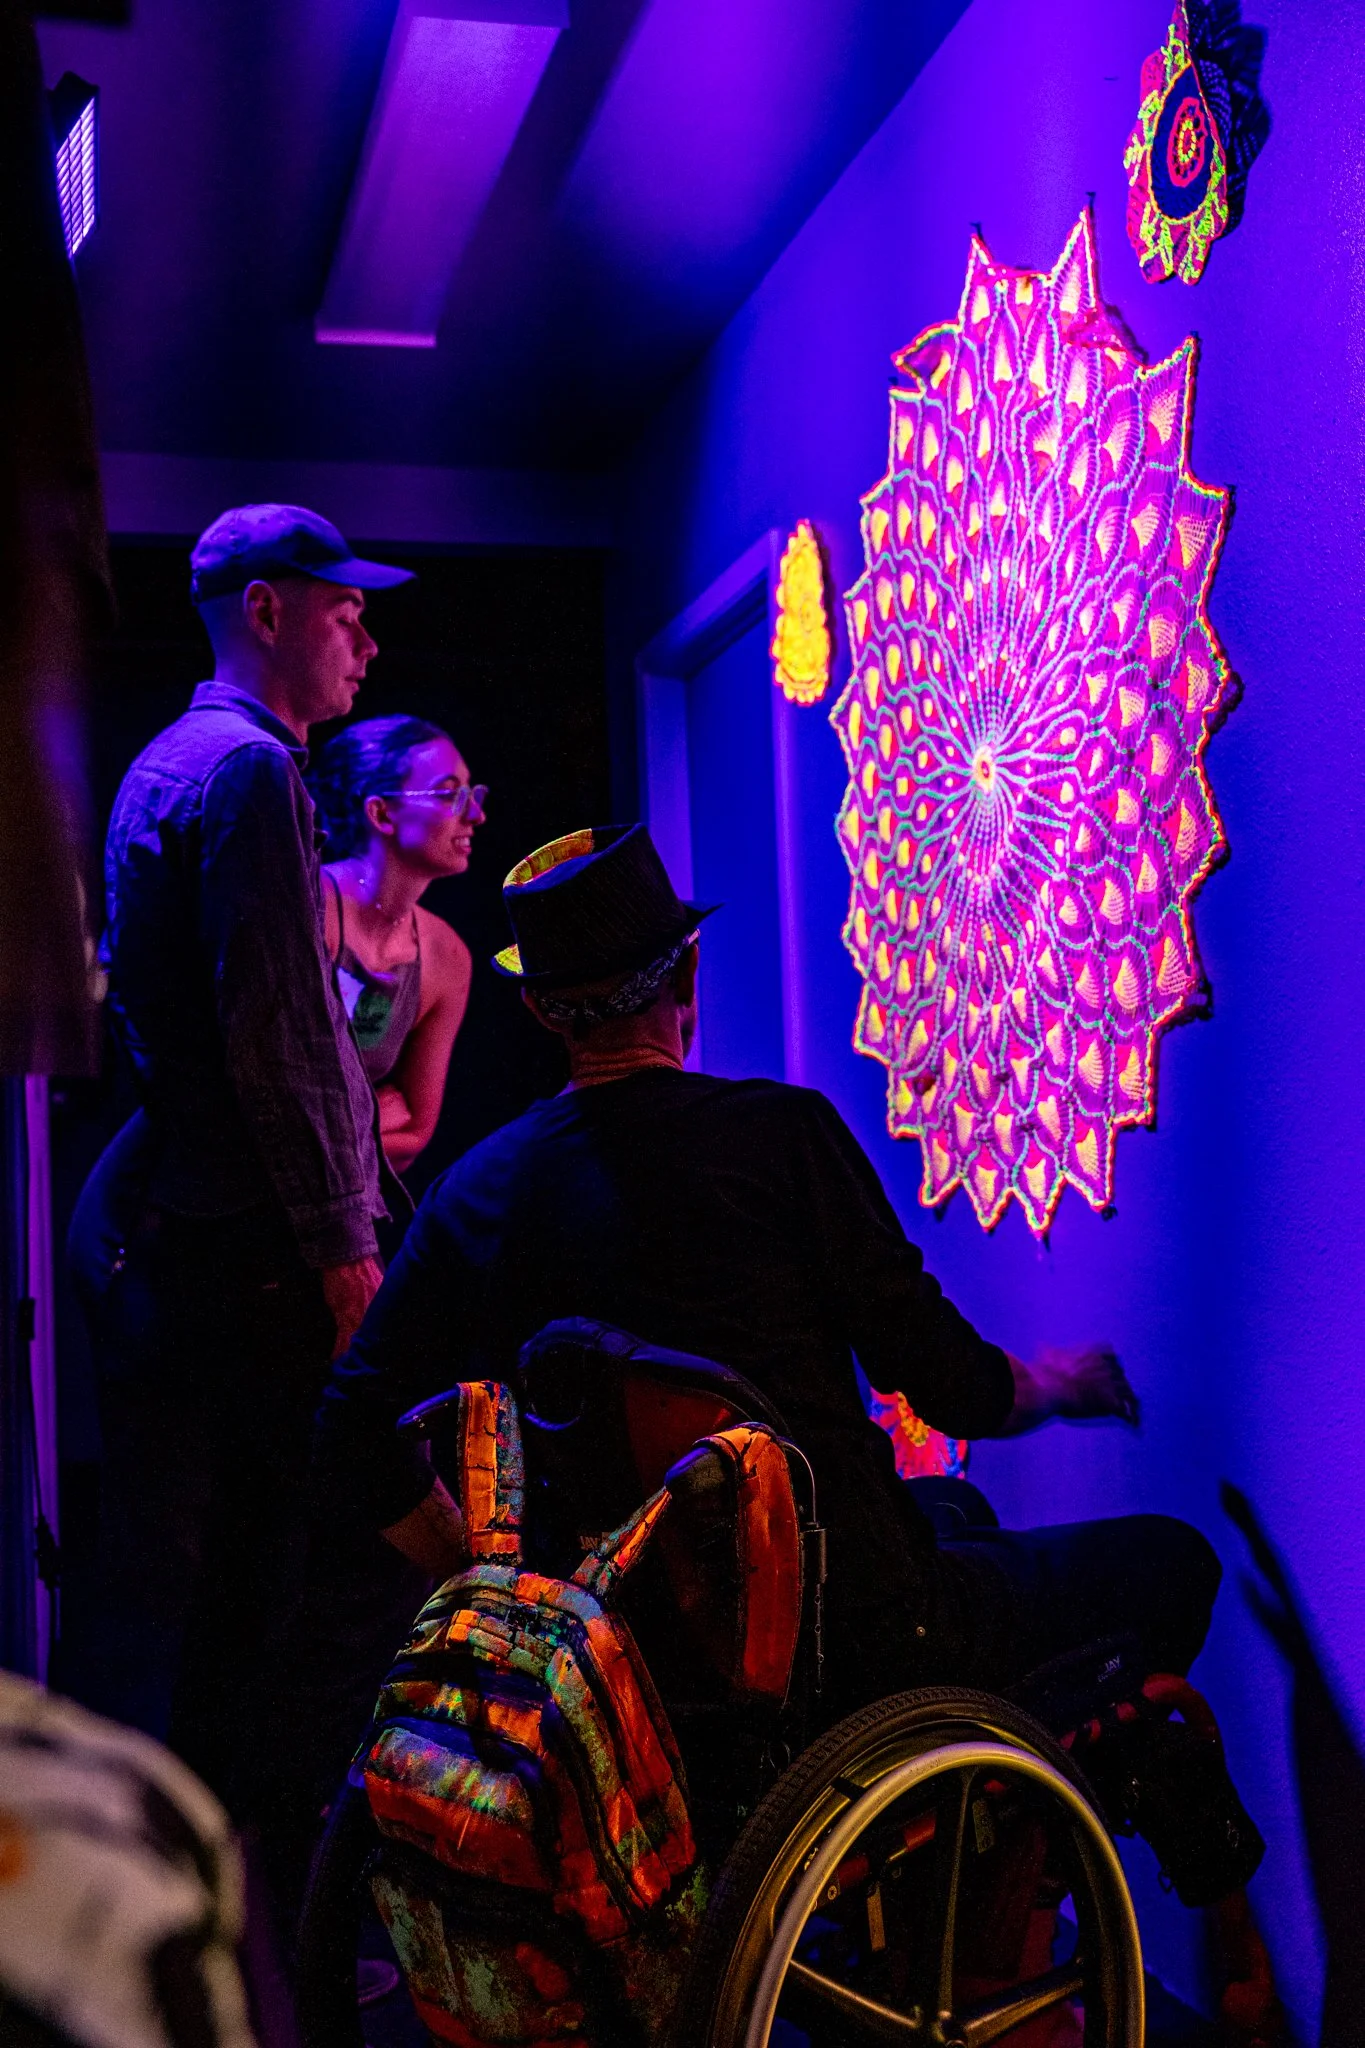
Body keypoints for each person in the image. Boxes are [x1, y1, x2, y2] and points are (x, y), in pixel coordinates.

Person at [313, 824, 1223, 1722]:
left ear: (540, 1011)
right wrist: (1049, 1384)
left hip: (625, 1657)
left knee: (955, 1502)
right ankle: (1017, 1840)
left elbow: (352, 1424)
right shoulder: (781, 1136)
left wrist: (482, 1579)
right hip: (851, 1630)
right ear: (685, 977)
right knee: (1175, 1561)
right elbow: (952, 1390)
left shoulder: (475, 1193)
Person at [68, 503, 413, 1898]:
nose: (367, 643)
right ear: (264, 611)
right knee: (279, 1600)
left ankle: (161, 1902)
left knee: (174, 1587)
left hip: (170, 1235)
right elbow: (281, 1040)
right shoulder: (254, 777)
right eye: (343, 613)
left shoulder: (162, 761)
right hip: (245, 1256)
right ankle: (251, 1926)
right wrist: (346, 1255)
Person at [308, 716, 485, 1172]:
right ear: (382, 813)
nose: (476, 815)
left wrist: (340, 1133)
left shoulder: (446, 956)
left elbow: (415, 1132)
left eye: (473, 793)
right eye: (449, 794)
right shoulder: (307, 910)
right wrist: (368, 1119)